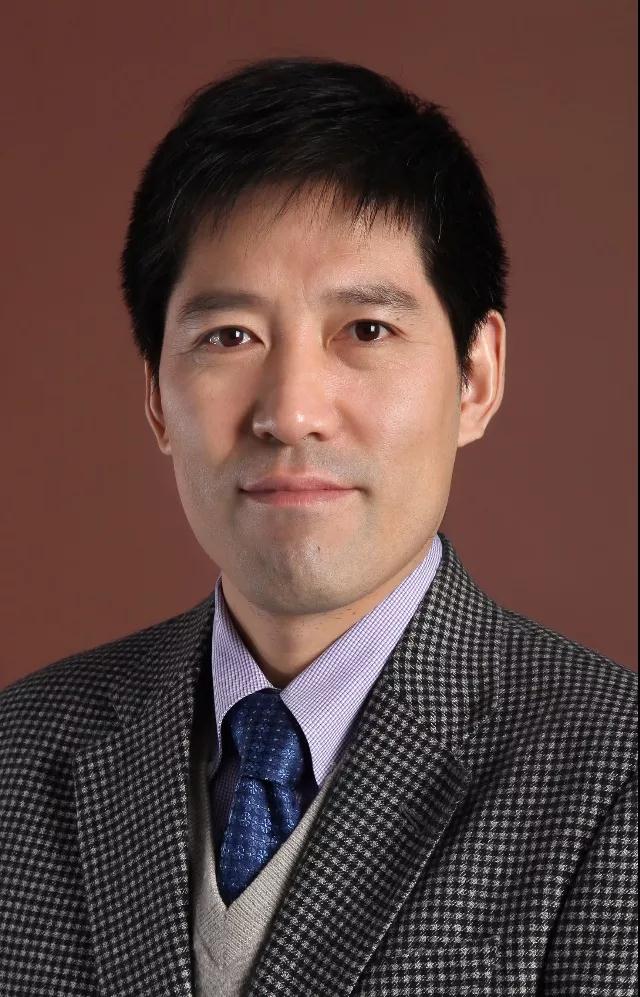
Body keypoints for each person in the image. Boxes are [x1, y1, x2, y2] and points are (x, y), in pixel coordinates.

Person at [0, 57, 636, 997]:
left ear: (477, 376)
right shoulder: (19, 750)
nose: (291, 412)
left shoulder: (612, 775)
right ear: (157, 398)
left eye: (366, 330)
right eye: (229, 336)